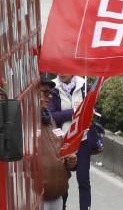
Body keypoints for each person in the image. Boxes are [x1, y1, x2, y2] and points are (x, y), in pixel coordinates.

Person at [48, 74, 99, 210]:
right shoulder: (52, 88)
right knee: (63, 181)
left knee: (83, 180)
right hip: (62, 142)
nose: (62, 73)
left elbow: (92, 109)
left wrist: (89, 111)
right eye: (59, 69)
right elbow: (51, 115)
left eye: (65, 69)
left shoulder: (84, 86)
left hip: (82, 139)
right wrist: (74, 112)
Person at [40, 76, 77, 210]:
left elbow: (60, 147)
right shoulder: (26, 123)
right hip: (38, 199)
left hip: (57, 196)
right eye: (44, 93)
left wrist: (71, 161)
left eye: (49, 93)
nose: (49, 97)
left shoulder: (49, 119)